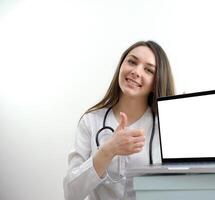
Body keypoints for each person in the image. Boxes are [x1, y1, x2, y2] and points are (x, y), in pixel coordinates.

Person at [63, 40, 175, 200]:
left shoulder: (165, 127)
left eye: (148, 70)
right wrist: (107, 150)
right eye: (132, 62)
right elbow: (71, 193)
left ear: (156, 82)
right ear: (121, 66)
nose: (136, 71)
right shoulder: (91, 121)